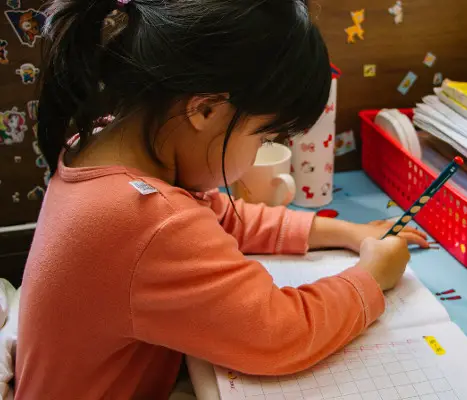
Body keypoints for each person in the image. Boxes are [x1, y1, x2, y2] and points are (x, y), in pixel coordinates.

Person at [15, 0, 429, 398]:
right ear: (206, 110)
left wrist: (346, 232)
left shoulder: (101, 144)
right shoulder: (148, 219)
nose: (256, 156)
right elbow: (279, 333)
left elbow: (219, 217)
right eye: (264, 137)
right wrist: (371, 278)